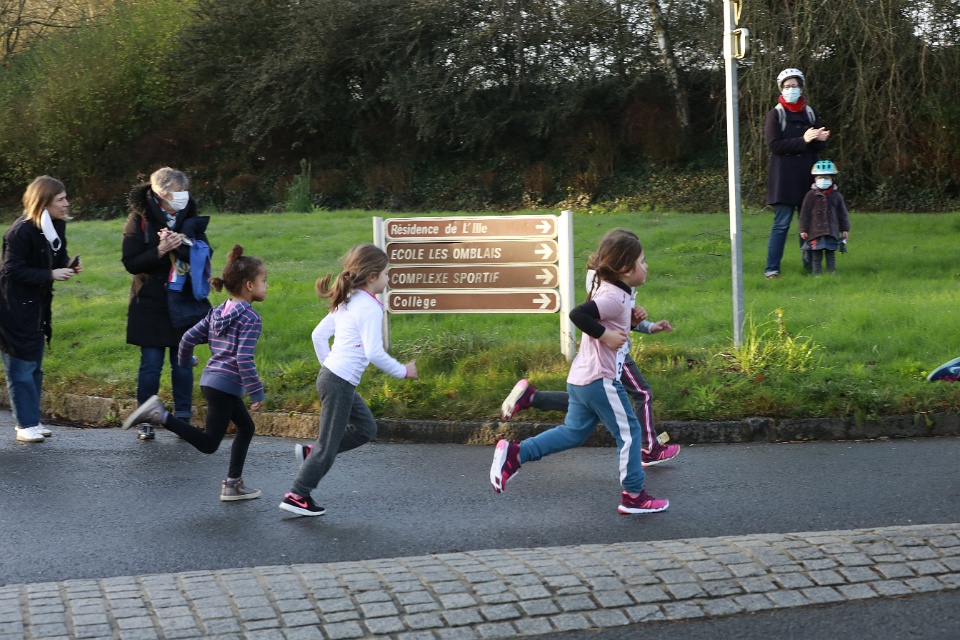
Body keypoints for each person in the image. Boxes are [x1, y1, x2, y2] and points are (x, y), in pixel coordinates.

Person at [491, 229, 669, 515]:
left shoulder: (618, 293)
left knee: (573, 433)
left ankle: (517, 454)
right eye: (642, 262)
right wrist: (606, 336)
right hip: (601, 379)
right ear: (626, 269)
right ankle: (634, 495)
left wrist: (636, 323)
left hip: (582, 379)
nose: (646, 267)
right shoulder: (613, 296)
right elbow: (578, 314)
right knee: (630, 433)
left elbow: (611, 320)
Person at [280, 244, 418, 517]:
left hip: (335, 378)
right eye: (386, 274)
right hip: (338, 381)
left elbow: (318, 336)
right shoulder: (368, 308)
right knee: (327, 446)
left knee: (366, 429)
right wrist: (403, 371)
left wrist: (329, 367)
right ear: (372, 277)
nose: (388, 279)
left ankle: (313, 455)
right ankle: (297, 495)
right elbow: (374, 353)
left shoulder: (349, 299)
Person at [121, 244, 266, 502]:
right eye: (264, 281)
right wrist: (256, 392)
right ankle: (161, 416)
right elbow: (243, 358)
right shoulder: (250, 318)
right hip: (224, 385)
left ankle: (233, 484)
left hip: (213, 382)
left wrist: (186, 361)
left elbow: (187, 338)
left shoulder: (217, 311)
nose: (266, 286)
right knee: (209, 443)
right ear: (249, 285)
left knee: (246, 427)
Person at [122, 167, 211, 440]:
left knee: (182, 362)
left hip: (181, 300)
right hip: (149, 301)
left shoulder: (190, 216)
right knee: (150, 364)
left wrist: (181, 245)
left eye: (185, 191)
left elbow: (205, 252)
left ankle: (183, 418)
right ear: (161, 193)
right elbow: (131, 262)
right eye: (177, 191)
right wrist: (160, 250)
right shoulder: (139, 219)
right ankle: (146, 418)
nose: (183, 196)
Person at [0, 176, 82, 443]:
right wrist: (50, 274)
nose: (67, 204)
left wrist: (68, 265)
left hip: (37, 308)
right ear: (43, 202)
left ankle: (32, 420)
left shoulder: (55, 225)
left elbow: (57, 257)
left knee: (34, 366)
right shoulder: (19, 232)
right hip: (13, 309)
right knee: (20, 367)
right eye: (61, 199)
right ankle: (24, 424)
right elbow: (11, 270)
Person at [764, 67, 830, 279]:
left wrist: (820, 140)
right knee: (781, 225)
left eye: (794, 85)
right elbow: (774, 145)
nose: (791, 89)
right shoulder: (775, 114)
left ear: (801, 88)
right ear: (781, 89)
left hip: (807, 177)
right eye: (787, 86)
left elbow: (816, 147)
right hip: (783, 180)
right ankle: (772, 269)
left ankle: (810, 268)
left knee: (807, 226)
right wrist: (803, 140)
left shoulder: (810, 113)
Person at [799, 160, 850, 276]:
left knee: (830, 254)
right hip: (815, 232)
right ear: (815, 179)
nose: (823, 180)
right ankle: (816, 275)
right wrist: (803, 229)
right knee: (816, 256)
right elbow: (804, 214)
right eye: (820, 177)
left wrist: (845, 229)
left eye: (826, 177)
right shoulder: (810, 196)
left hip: (831, 231)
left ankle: (831, 274)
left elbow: (842, 214)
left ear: (832, 179)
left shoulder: (837, 196)